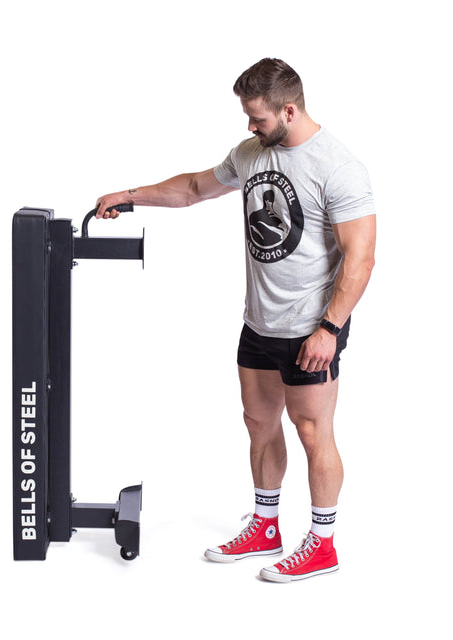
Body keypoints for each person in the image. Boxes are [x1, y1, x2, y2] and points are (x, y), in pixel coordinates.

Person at [95, 58, 376, 583]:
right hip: (260, 323)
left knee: (313, 432)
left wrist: (330, 329)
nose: (250, 126)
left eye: (259, 118)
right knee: (259, 425)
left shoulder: (337, 166)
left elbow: (361, 257)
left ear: (288, 110)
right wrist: (130, 196)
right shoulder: (252, 154)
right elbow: (196, 187)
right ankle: (266, 526)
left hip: (311, 328)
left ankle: (322, 543)